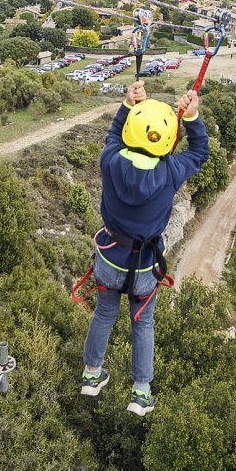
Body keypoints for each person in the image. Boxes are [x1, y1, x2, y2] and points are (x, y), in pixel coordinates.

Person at [79, 81, 208, 416]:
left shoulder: (110, 160)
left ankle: (91, 375)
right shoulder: (170, 171)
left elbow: (113, 135)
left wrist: (128, 105)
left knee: (104, 314)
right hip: (145, 266)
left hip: (110, 257)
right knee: (143, 323)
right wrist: (191, 118)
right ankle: (140, 392)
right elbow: (198, 152)